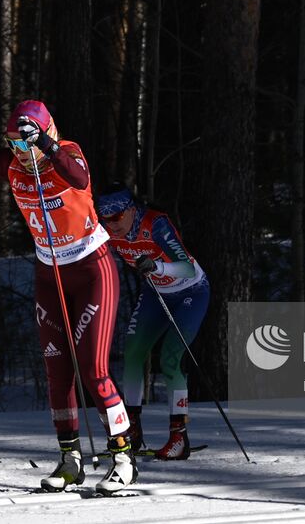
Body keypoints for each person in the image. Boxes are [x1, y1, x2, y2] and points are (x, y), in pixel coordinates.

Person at [0, 101, 136, 494]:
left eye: (26, 145)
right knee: (57, 372)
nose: (21, 155)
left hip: (92, 269)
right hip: (49, 273)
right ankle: (70, 460)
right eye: (12, 144)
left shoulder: (68, 152)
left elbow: (78, 179)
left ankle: (123, 457)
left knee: (93, 370)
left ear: (48, 135)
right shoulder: (11, 162)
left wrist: (45, 145)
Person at [95, 184, 209, 460]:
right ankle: (132, 431)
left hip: (190, 292)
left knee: (170, 359)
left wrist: (157, 266)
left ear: (132, 211)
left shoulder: (155, 224)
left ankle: (178, 437)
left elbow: (187, 267)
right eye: (105, 220)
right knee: (133, 353)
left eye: (117, 217)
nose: (112, 226)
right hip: (156, 293)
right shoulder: (107, 231)